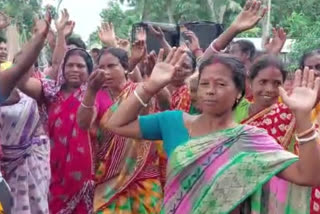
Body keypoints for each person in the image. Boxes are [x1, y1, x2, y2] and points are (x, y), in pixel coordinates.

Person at [105, 47, 320, 213]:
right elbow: (117, 123)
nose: (210, 91)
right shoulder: (174, 122)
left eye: (220, 84)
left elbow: (308, 176)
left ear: (239, 93)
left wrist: (302, 116)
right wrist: (150, 86)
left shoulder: (250, 140)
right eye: (205, 84)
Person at [17, 47, 111, 213]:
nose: (74, 69)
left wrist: (90, 90)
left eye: (80, 66)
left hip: (82, 174)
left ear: (89, 70)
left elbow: (85, 122)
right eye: (70, 65)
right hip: (49, 168)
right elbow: (22, 81)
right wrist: (37, 43)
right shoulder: (50, 91)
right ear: (62, 68)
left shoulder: (96, 94)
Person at [77, 47, 167, 213]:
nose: (106, 72)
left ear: (125, 67)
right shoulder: (97, 96)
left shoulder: (140, 91)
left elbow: (162, 105)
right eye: (101, 67)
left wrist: (156, 82)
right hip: (108, 180)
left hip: (143, 178)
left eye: (111, 66)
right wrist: (90, 91)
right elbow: (83, 124)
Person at [234, 55, 297, 153]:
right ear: (251, 82)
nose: (269, 89)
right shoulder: (234, 108)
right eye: (263, 82)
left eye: (276, 83)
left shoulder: (289, 116)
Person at [299, 49, 320, 214]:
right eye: (309, 68)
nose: (315, 72)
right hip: (298, 183)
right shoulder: (294, 102)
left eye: (319, 67)